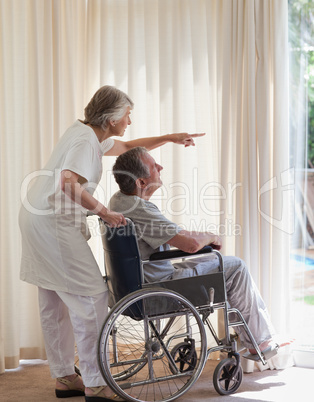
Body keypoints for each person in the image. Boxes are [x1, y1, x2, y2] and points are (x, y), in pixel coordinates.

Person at [19, 86, 204, 402]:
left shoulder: (85, 133)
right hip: (53, 223)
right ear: (112, 116)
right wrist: (104, 212)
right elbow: (67, 183)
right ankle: (93, 382)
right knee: (92, 298)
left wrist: (170, 137)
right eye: (128, 114)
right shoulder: (83, 141)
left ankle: (65, 377)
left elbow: (128, 146)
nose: (129, 121)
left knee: (52, 299)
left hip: (35, 216)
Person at [109, 146, 291, 359]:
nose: (161, 167)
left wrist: (201, 236)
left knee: (216, 263)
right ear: (141, 182)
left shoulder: (119, 200)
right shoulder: (141, 209)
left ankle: (254, 337)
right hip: (159, 286)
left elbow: (178, 235)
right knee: (234, 267)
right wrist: (212, 237)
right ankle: (260, 342)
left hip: (135, 283)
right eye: (153, 166)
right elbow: (191, 245)